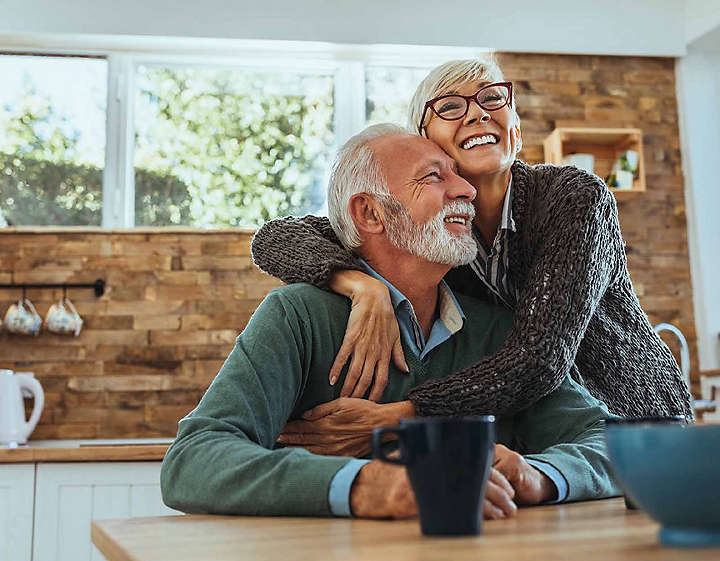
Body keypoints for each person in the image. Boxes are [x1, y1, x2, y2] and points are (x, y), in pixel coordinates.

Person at [161, 124, 619, 520]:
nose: (466, 190)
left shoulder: (497, 330)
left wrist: (537, 474)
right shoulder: (297, 316)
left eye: (458, 175)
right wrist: (368, 485)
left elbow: (610, 443)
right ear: (370, 213)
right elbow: (193, 461)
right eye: (434, 177)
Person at [251, 58, 692, 457]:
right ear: (426, 143)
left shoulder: (574, 198)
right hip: (534, 439)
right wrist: (360, 284)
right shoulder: (431, 232)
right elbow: (276, 237)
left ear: (515, 128)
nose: (478, 112)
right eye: (450, 107)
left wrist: (401, 414)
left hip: (632, 421)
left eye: (491, 98)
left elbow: (539, 359)